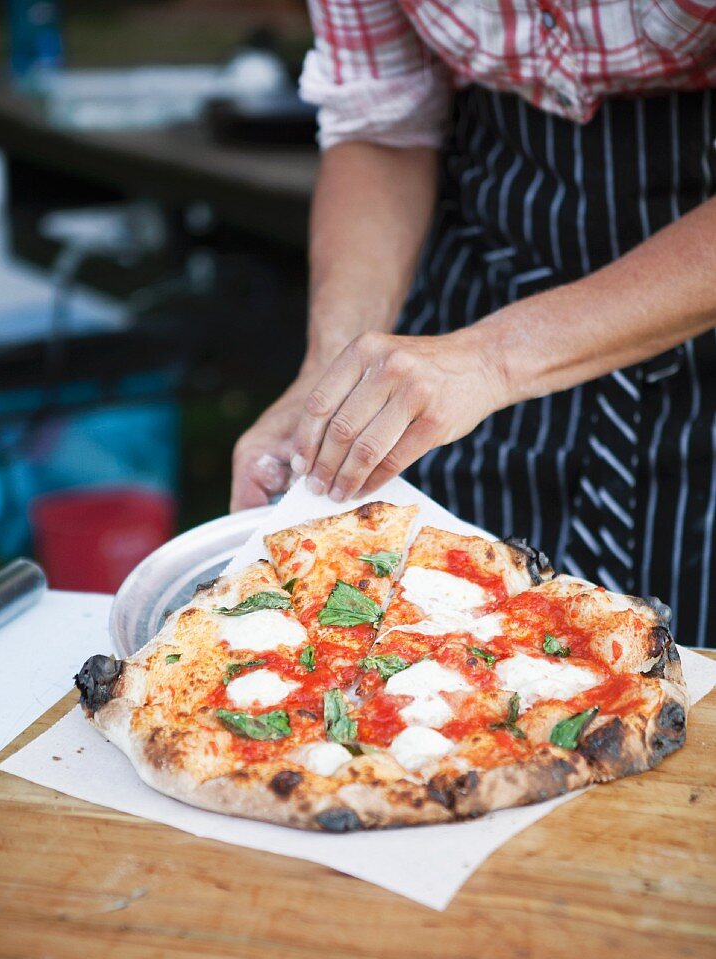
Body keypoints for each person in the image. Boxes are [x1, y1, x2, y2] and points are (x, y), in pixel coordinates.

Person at [230, 2, 716, 647]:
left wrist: (490, 360)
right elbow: (381, 129)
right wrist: (333, 380)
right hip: (486, 283)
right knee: (438, 645)